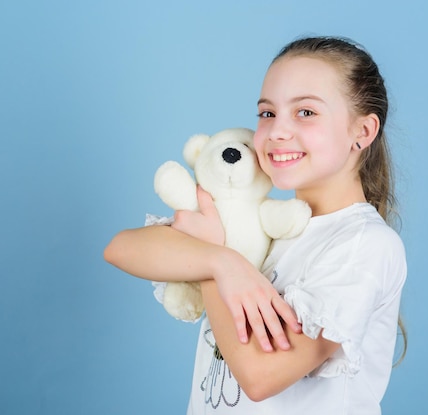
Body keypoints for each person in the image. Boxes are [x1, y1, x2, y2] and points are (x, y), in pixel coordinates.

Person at [104, 36, 407, 414]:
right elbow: (120, 248)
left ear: (362, 131)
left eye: (306, 112)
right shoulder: (264, 226)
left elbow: (260, 377)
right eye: (267, 113)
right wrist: (222, 262)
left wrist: (217, 263)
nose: (278, 130)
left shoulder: (364, 244)